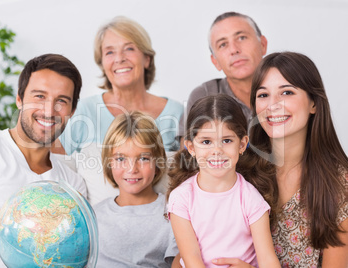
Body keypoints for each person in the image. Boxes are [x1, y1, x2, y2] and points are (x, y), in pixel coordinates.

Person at [0, 54, 87, 267]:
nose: (49, 110)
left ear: (72, 111)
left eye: (61, 101)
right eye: (39, 96)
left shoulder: (73, 185)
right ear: (19, 99)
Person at [216, 52, 348, 267]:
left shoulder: (339, 183)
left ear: (313, 103)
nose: (273, 105)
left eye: (287, 92)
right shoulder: (237, 170)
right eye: (263, 95)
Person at [167, 95, 280, 267]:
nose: (217, 150)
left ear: (242, 145)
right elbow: (192, 260)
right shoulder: (181, 198)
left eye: (226, 140)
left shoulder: (251, 199)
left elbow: (268, 261)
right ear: (191, 147)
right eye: (206, 142)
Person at [54, 16, 183, 155]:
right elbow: (58, 167)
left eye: (129, 48)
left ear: (147, 59)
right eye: (110, 52)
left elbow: (187, 171)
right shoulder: (82, 111)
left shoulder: (177, 113)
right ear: (102, 63)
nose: (119, 58)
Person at [94, 111, 180, 267]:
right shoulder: (92, 216)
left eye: (143, 158)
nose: (132, 169)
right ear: (109, 162)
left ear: (157, 162)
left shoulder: (174, 213)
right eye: (121, 159)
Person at [177, 11, 268, 142]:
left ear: (263, 44)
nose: (234, 49)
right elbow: (187, 150)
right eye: (223, 44)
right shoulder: (204, 95)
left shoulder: (289, 88)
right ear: (215, 61)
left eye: (241, 37)